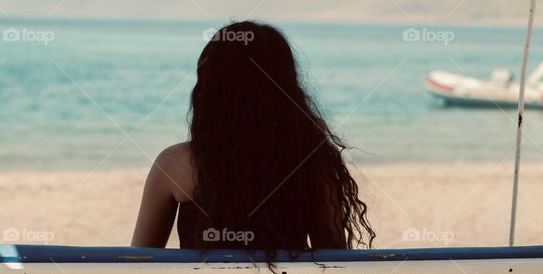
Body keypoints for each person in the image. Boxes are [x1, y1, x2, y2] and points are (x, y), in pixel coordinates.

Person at [131, 20, 374, 252]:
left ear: (208, 89)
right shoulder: (311, 160)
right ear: (286, 88)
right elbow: (335, 262)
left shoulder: (174, 164)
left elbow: (138, 263)